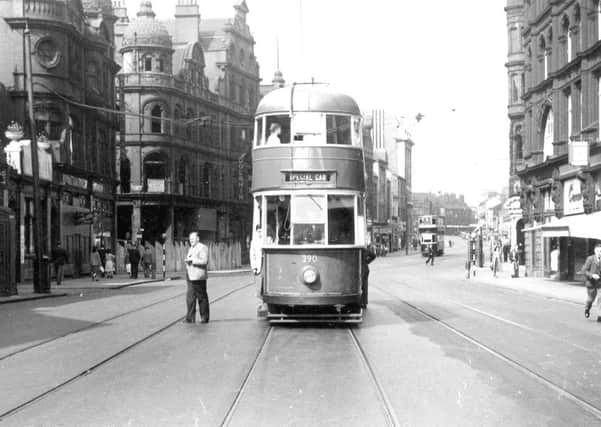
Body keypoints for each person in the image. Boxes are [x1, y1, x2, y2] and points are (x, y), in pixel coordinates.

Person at [184, 231, 210, 323]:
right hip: (190, 276)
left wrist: (192, 260)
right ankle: (190, 317)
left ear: (198, 239)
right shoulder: (191, 248)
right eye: (190, 239)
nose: (191, 240)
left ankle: (204, 317)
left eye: (193, 239)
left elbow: (204, 261)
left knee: (201, 297)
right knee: (190, 297)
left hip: (198, 277)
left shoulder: (202, 247)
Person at [582, 243, 601, 320]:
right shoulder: (590, 259)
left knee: (600, 298)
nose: (599, 253)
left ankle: (600, 315)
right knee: (591, 299)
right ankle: (587, 308)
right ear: (594, 251)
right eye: (598, 251)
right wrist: (592, 275)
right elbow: (584, 270)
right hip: (591, 283)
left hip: (600, 283)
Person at [361, 243, 377, 308]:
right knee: (364, 286)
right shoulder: (364, 250)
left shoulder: (362, 250)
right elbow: (374, 256)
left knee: (363, 286)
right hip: (365, 269)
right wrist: (367, 261)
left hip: (362, 269)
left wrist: (367, 261)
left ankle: (363, 302)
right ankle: (364, 302)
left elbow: (373, 255)